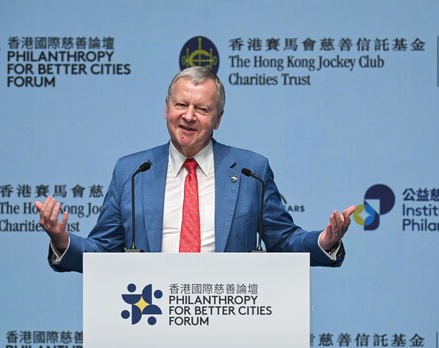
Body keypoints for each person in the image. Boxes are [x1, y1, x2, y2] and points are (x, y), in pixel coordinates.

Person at [35, 66, 356, 273]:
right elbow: (103, 250)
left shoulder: (250, 170)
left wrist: (324, 241)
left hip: (229, 322)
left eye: (202, 109)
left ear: (217, 119)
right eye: (180, 105)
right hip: (150, 319)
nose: (189, 116)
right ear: (165, 110)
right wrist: (63, 241)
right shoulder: (131, 172)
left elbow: (283, 241)